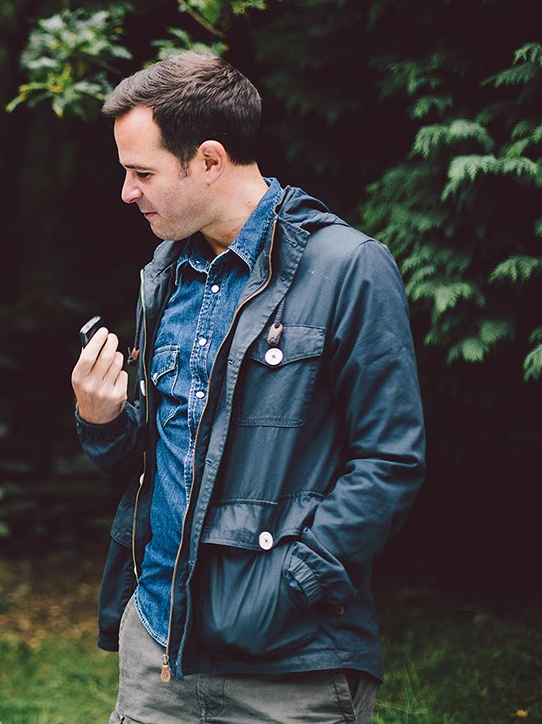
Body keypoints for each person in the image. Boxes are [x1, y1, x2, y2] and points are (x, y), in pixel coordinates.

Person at [70, 52, 426, 724]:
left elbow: (390, 460)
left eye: (140, 172)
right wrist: (104, 418)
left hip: (292, 667)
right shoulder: (165, 275)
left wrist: (296, 584)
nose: (126, 191)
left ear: (209, 160)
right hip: (159, 652)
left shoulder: (348, 268)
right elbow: (159, 463)